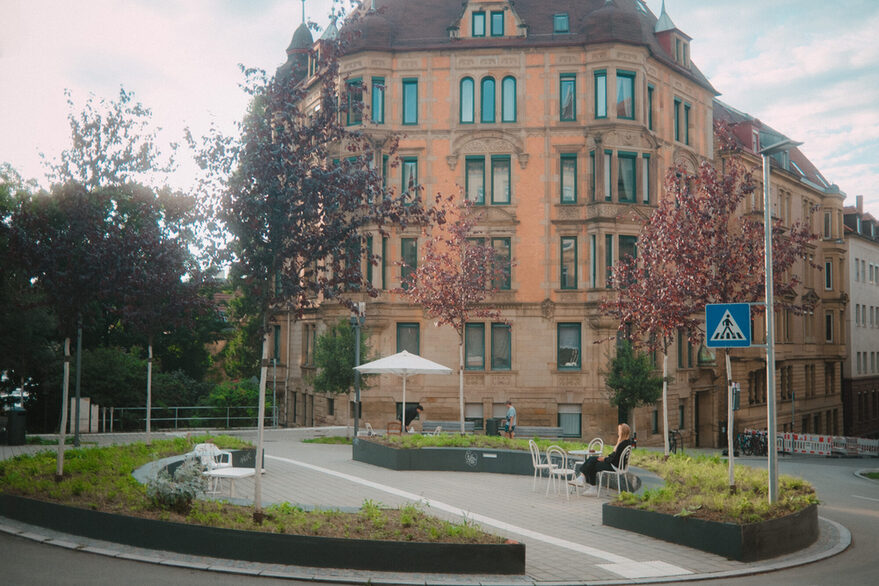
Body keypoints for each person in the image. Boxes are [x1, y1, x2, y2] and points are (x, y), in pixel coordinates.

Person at [573, 423, 631, 496]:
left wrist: (605, 459)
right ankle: (583, 479)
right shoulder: (627, 442)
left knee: (592, 464)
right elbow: (615, 456)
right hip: (618, 465)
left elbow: (615, 459)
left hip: (615, 466)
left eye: (619, 430)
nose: (618, 432)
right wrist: (606, 458)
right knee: (592, 459)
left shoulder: (622, 444)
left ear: (623, 432)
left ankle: (589, 484)